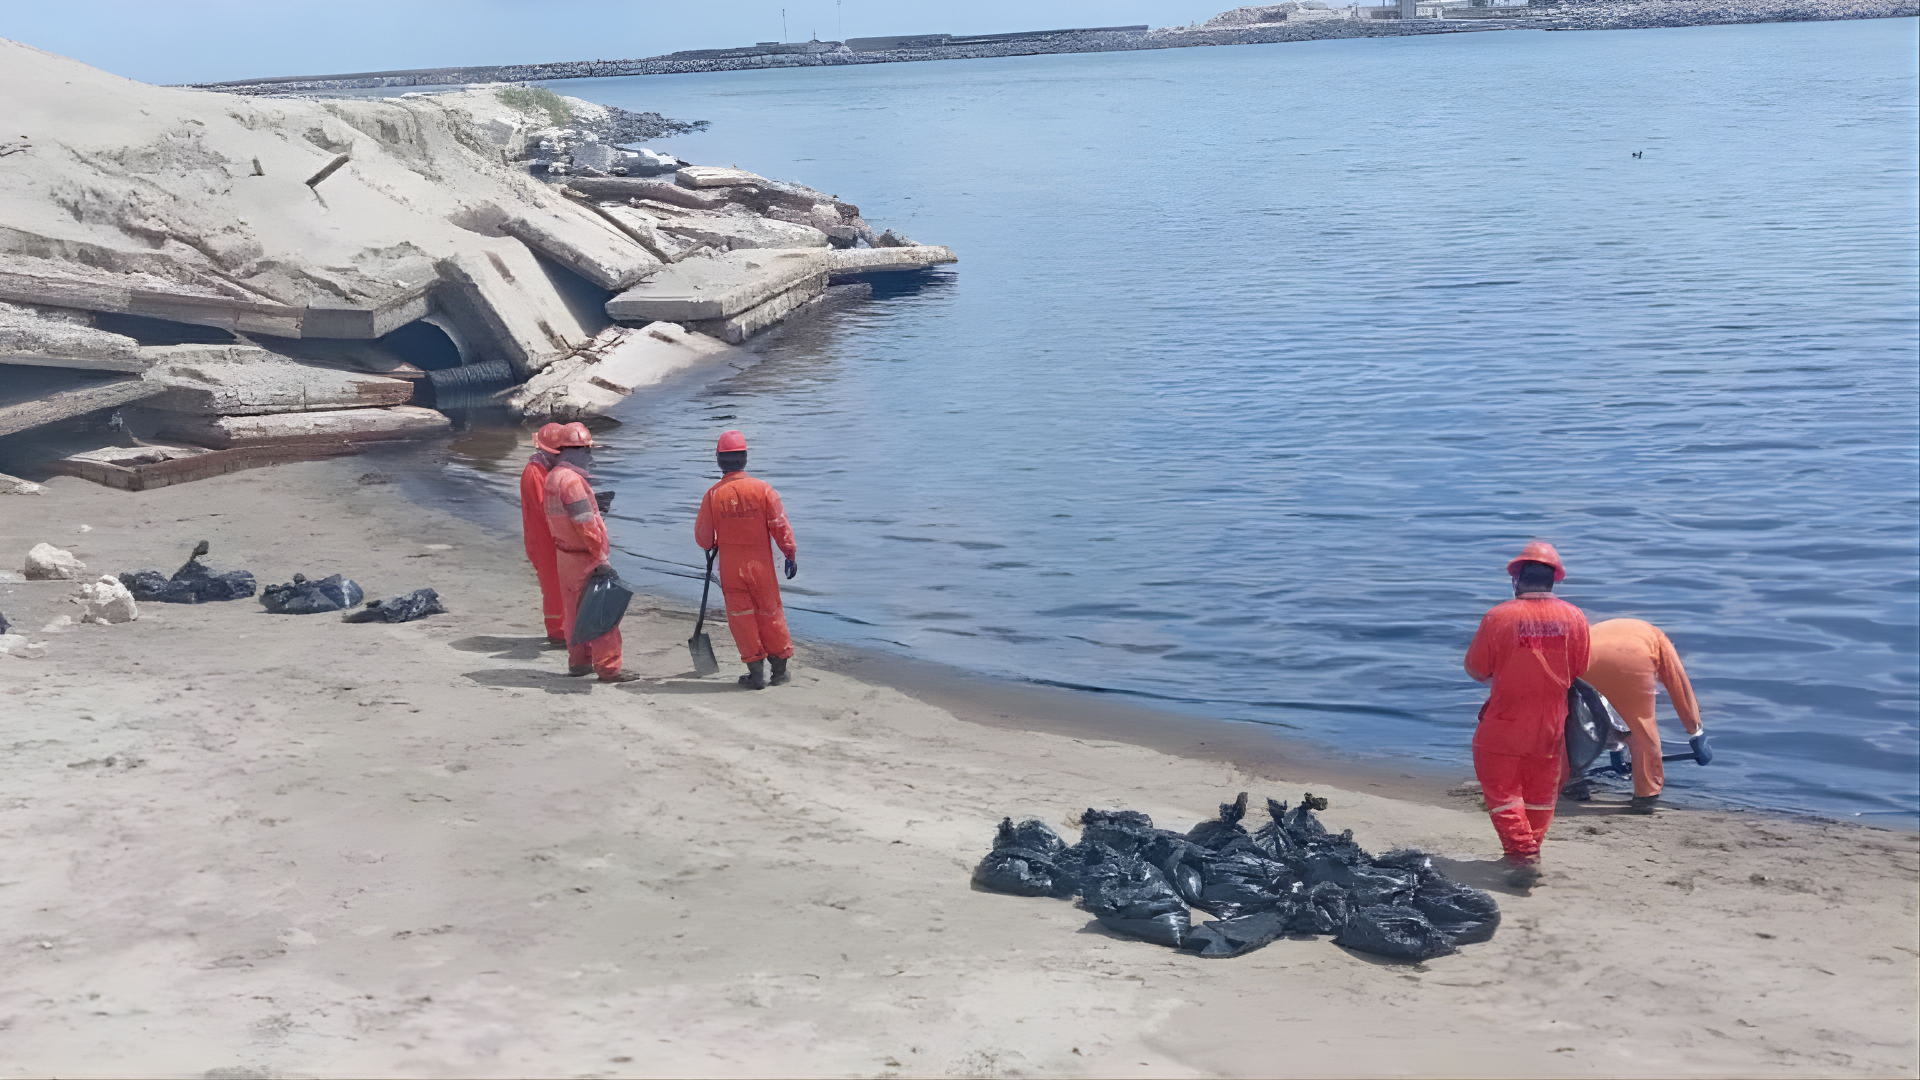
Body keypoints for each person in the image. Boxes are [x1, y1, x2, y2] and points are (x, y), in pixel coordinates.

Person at [1463, 540, 1591, 888]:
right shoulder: (1576, 617)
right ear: (1554, 580)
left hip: (1505, 719)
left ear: (1517, 580)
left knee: (1500, 788)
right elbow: (1579, 667)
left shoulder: (1499, 616)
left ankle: (1522, 855)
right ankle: (1529, 848)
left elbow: (1476, 668)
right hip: (1553, 723)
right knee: (1539, 793)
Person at [694, 430, 797, 690]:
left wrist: (716, 543)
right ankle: (779, 671)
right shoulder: (763, 490)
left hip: (731, 567)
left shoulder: (713, 495)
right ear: (745, 458)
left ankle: (756, 672)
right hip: (760, 566)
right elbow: (780, 526)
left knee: (741, 617)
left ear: (719, 460)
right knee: (770, 612)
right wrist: (789, 553)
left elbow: (704, 538)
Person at [1581, 618, 1704, 813]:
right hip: (1631, 655)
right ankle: (1646, 795)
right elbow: (1680, 688)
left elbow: (1611, 704)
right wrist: (1696, 732)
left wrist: (1616, 748)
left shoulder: (1621, 629)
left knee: (1580, 720)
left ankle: (1572, 781)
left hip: (1582, 651)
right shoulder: (1660, 642)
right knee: (1642, 726)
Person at [543, 422, 633, 682]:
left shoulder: (553, 477)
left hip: (565, 555)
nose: (591, 457)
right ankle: (609, 669)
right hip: (584, 556)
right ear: (577, 450)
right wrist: (600, 557)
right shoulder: (572, 481)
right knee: (602, 611)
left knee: (573, 612)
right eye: (588, 451)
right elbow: (585, 523)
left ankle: (579, 663)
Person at [519, 423, 568, 645]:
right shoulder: (535, 473)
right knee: (553, 586)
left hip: (547, 535)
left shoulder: (543, 469)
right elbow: (544, 509)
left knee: (560, 584)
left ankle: (564, 627)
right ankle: (557, 632)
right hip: (542, 538)